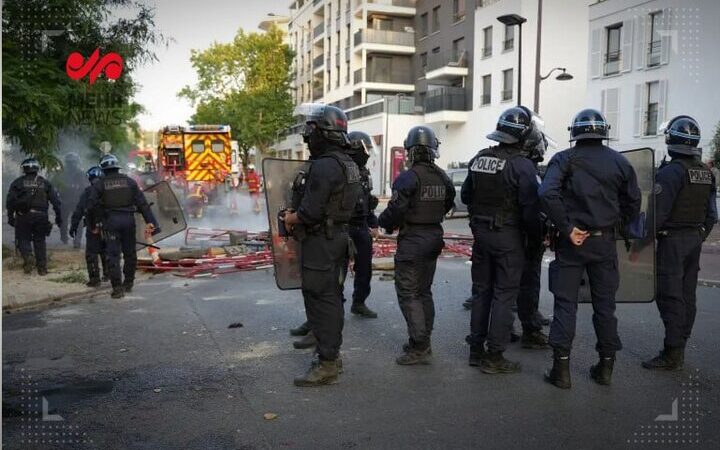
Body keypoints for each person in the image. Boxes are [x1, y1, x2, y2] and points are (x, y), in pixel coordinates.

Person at [540, 109, 641, 388]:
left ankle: (561, 372)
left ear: (575, 132)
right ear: (603, 131)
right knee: (605, 307)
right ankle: (606, 367)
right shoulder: (620, 162)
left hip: (571, 244)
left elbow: (546, 194)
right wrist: (618, 227)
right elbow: (633, 202)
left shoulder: (563, 159)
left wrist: (567, 228)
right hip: (604, 242)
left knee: (565, 305)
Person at [281, 104, 361, 386]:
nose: (307, 136)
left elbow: (311, 211)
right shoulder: (348, 163)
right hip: (338, 238)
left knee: (322, 299)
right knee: (331, 297)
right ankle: (330, 356)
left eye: (311, 130)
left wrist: (292, 217)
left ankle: (327, 362)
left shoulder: (325, 165)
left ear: (323, 133)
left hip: (320, 241)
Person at [461, 106, 544, 375]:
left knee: (481, 292)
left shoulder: (480, 158)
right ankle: (495, 356)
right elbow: (531, 210)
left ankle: (476, 350)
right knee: (504, 295)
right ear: (524, 136)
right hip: (508, 236)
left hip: (481, 236)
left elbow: (466, 197)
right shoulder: (523, 165)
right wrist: (535, 239)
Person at [642, 116, 717, 370]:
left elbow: (657, 215)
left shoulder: (671, 172)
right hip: (694, 239)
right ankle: (680, 344)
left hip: (672, 241)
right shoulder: (706, 173)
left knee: (670, 295)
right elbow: (712, 215)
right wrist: (699, 236)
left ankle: (672, 352)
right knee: (687, 294)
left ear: (671, 140)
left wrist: (641, 242)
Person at [378, 126, 455, 365]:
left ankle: (419, 346)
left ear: (411, 150)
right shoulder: (442, 176)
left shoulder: (408, 177)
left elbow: (396, 209)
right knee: (424, 291)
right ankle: (422, 340)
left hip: (413, 241)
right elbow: (449, 202)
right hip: (433, 237)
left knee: (409, 293)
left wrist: (384, 224)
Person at [86, 154, 159, 299]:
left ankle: (117, 288)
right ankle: (129, 283)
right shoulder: (130, 182)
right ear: (116, 167)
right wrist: (151, 222)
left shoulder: (99, 184)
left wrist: (93, 225)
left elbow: (90, 206)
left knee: (113, 255)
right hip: (128, 221)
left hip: (110, 222)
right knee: (130, 253)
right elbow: (142, 204)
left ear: (104, 169)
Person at [6, 158, 62, 275]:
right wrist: (59, 217)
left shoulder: (17, 183)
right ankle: (42, 269)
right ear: (37, 169)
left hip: (23, 216)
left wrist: (10, 217)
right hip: (41, 216)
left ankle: (28, 257)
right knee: (40, 241)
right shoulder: (45, 183)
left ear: (24, 169)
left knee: (23, 239)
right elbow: (56, 202)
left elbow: (10, 201)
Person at [345, 131, 380, 319]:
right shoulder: (341, 169)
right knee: (337, 271)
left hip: (361, 226)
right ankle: (331, 309)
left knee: (365, 269)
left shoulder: (364, 172)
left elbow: (368, 202)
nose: (367, 154)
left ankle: (359, 302)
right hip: (343, 228)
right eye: (365, 148)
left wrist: (373, 224)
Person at [70, 166, 109, 287]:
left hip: (93, 228)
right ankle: (108, 275)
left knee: (91, 253)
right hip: (108, 226)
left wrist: (74, 226)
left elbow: (79, 210)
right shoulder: (108, 190)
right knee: (107, 251)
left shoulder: (87, 192)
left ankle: (95, 279)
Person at [55, 153, 85, 247]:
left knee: (70, 220)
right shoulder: (62, 173)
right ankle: (69, 238)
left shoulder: (80, 173)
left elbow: (85, 186)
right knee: (67, 221)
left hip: (72, 200)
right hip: (69, 200)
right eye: (70, 163)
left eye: (72, 162)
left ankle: (73, 239)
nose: (71, 164)